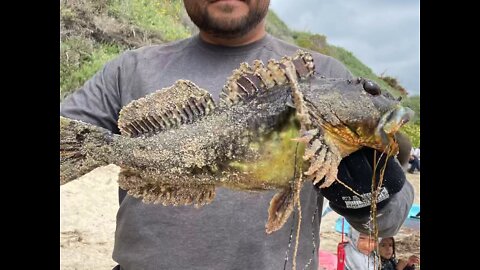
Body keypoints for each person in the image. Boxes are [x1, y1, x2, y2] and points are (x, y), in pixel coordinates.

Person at [60, 1, 415, 269]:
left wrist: (369, 190)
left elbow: (386, 223)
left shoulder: (324, 74)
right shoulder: (128, 69)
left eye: (369, 90)